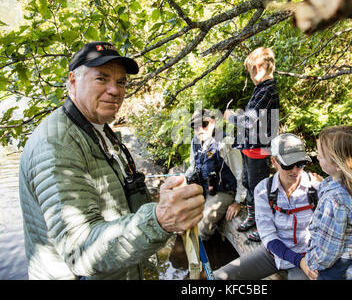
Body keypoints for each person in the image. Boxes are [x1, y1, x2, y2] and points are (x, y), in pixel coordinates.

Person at [18, 41, 204, 280]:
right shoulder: (56, 145)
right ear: (73, 81)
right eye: (101, 79)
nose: (115, 90)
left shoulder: (96, 128)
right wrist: (159, 220)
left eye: (121, 82)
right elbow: (81, 252)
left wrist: (164, 202)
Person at [214, 133, 320, 280]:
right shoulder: (263, 190)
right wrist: (296, 259)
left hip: (307, 257)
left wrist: (304, 261)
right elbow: (269, 237)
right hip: (274, 253)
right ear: (274, 161)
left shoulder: (316, 189)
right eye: (288, 164)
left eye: (300, 163)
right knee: (219, 277)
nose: (295, 170)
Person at [300, 125, 352, 280]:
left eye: (321, 155)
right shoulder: (349, 182)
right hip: (349, 260)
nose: (317, 157)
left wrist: (310, 262)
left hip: (335, 268)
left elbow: (328, 251)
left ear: (339, 164)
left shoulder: (335, 202)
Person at [224, 47, 280, 239]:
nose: (252, 75)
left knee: (260, 188)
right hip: (249, 148)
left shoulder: (268, 91)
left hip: (259, 150)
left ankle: (265, 226)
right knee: (248, 183)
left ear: (259, 68)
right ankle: (253, 216)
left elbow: (248, 120)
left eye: (251, 71)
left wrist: (231, 116)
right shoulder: (260, 91)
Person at [186, 109, 245, 241]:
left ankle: (207, 251)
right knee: (183, 213)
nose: (200, 129)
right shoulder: (195, 142)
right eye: (195, 126)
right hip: (204, 187)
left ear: (212, 122)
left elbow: (240, 174)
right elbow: (192, 166)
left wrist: (238, 202)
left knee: (201, 228)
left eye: (204, 124)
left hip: (224, 191)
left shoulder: (226, 142)